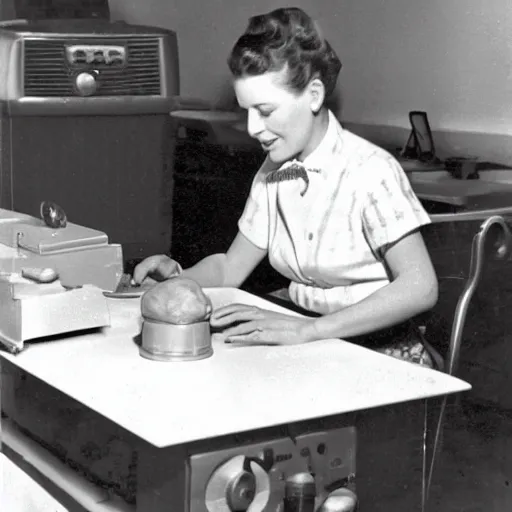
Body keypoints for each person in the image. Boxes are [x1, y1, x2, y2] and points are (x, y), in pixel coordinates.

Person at [134, 7, 440, 368]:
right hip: (305, 327)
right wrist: (177, 281)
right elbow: (231, 267)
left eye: (264, 110)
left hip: (375, 342)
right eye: (246, 110)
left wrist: (310, 331)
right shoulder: (273, 170)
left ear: (313, 95)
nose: (252, 128)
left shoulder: (371, 171)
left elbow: (421, 287)